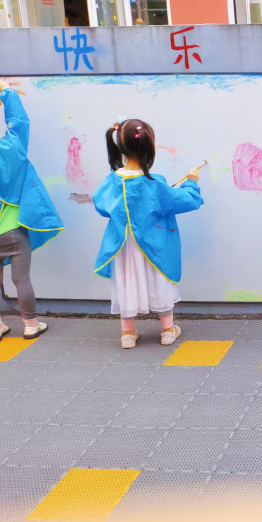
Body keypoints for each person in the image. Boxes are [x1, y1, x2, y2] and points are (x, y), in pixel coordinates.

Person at [94, 119, 203, 349]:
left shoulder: (112, 181)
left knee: (127, 284)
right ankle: (167, 331)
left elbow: (101, 206)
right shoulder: (156, 183)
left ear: (120, 145)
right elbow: (185, 200)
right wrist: (191, 183)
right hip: (153, 245)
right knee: (159, 282)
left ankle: (128, 334)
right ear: (148, 146)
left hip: (124, 247)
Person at [0, 81, 63, 342]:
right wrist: (6, 91)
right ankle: (31, 325)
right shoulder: (10, 152)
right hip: (13, 231)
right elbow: (19, 122)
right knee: (21, 279)